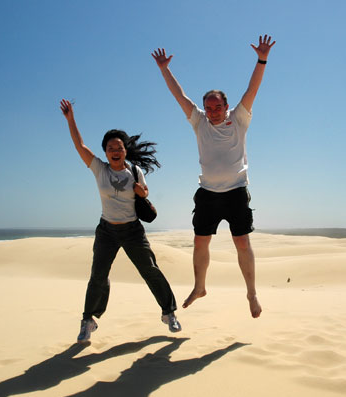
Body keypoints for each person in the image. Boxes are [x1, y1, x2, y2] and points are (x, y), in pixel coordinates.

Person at [152, 34, 275, 318]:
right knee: (200, 241)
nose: (212, 111)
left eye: (217, 106)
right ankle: (200, 287)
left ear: (226, 106)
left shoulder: (239, 118)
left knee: (242, 241)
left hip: (235, 191)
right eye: (208, 107)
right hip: (207, 192)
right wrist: (164, 69)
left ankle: (252, 293)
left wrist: (262, 59)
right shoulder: (199, 122)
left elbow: (252, 89)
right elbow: (179, 96)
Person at [60, 99, 182, 343]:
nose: (115, 151)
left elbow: (145, 194)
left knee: (150, 270)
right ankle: (88, 320)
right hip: (107, 231)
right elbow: (79, 145)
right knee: (98, 275)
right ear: (105, 152)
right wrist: (70, 119)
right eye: (110, 148)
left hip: (133, 231)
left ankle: (169, 313)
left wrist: (142, 193)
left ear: (125, 150)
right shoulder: (99, 169)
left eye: (119, 147)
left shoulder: (135, 172)